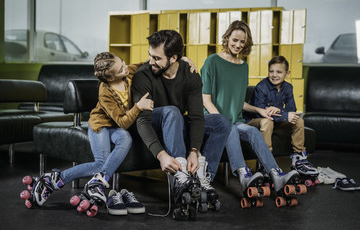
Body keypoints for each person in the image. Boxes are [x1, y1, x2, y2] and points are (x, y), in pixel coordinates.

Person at [20, 52, 152, 217]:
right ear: (110, 78)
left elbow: (145, 64)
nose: (126, 67)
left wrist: (181, 59)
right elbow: (123, 122)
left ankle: (96, 181)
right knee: (100, 163)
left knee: (126, 138)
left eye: (123, 63)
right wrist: (138, 107)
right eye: (120, 69)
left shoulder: (127, 72)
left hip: (116, 129)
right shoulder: (105, 92)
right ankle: (58, 179)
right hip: (100, 126)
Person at [131, 30, 231, 214]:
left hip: (176, 122)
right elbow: (142, 121)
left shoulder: (190, 74)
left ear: (174, 57)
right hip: (155, 122)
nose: (151, 61)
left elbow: (196, 116)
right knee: (172, 111)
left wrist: (194, 150)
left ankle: (202, 178)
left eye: (156, 58)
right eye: (150, 56)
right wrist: (161, 155)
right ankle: (181, 178)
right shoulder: (143, 75)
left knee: (222, 122)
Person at [201, 20, 299, 197]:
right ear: (227, 37)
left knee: (253, 132)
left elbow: (239, 102)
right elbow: (205, 100)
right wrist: (223, 123)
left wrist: (259, 110)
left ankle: (276, 175)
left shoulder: (243, 66)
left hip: (235, 121)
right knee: (229, 128)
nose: (238, 45)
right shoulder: (212, 62)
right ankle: (243, 175)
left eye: (242, 42)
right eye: (235, 40)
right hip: (213, 121)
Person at [245, 55, 319, 181]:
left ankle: (298, 159)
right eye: (271, 71)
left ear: (287, 73)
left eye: (279, 72)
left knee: (298, 121)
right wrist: (284, 114)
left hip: (274, 121)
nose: (274, 75)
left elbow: (292, 111)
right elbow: (260, 114)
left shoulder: (288, 87)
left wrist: (279, 110)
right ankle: (265, 162)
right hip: (255, 121)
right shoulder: (261, 87)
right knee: (267, 121)